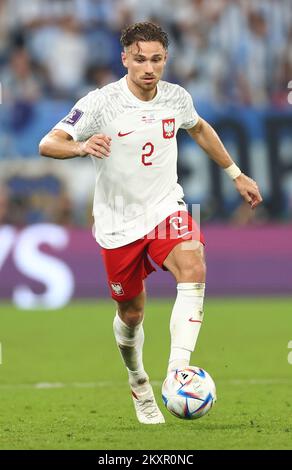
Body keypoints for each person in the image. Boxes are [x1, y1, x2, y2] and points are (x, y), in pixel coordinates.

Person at [39, 21, 263, 425]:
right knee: (131, 315)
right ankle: (138, 379)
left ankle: (178, 370)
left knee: (193, 262)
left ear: (166, 59)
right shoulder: (101, 103)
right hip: (118, 223)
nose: (148, 67)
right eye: (140, 59)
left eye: (156, 59)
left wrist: (237, 174)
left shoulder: (176, 98)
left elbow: (199, 129)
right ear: (125, 58)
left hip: (165, 209)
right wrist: (80, 146)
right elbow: (47, 143)